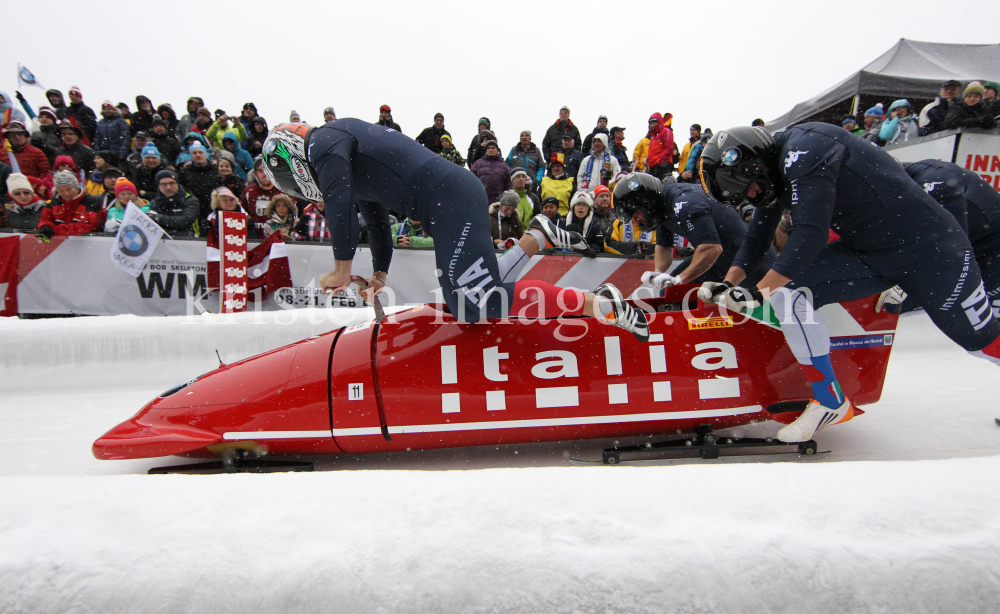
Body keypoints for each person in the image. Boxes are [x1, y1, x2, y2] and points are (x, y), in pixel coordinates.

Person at [697, 123, 1000, 444]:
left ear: (752, 165)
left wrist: (759, 293)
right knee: (790, 293)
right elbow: (757, 238)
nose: (753, 196)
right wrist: (729, 284)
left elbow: (809, 234)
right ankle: (829, 400)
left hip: (931, 249)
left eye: (749, 188)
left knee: (980, 342)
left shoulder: (807, 148)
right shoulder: (773, 170)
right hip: (872, 251)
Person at [260, 120, 647, 339]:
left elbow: (340, 200)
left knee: (473, 303)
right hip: (450, 199)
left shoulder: (325, 143)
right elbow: (375, 221)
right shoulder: (340, 150)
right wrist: (379, 274)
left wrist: (342, 267)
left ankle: (603, 306)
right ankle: (537, 237)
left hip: (449, 200)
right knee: (476, 294)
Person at [613, 173, 776, 291]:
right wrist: (658, 274)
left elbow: (712, 248)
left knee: (677, 288)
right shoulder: (660, 206)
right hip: (721, 262)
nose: (637, 220)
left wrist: (679, 280)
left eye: (635, 214)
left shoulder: (686, 203)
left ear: (647, 204)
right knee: (671, 292)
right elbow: (663, 247)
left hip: (752, 265)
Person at [904, 159, 1000, 312]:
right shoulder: (915, 178)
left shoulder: (934, 179)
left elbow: (951, 250)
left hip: (989, 245)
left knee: (985, 321)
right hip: (976, 240)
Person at [37, 171, 105, 239]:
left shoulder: (91, 202)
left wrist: (55, 230)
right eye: (61, 190)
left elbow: (88, 226)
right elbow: (45, 219)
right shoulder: (52, 203)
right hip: (61, 243)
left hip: (90, 243)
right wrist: (45, 226)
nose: (66, 193)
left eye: (69, 189)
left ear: (77, 188)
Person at [241, 157, 295, 235]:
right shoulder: (248, 191)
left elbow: (293, 217)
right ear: (255, 173)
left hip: (277, 239)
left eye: (267, 170)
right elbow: (243, 215)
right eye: (260, 171)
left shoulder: (284, 190)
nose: (264, 174)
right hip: (255, 239)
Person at [147, 169, 200, 236]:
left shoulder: (190, 200)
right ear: (158, 186)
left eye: (172, 183)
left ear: (177, 183)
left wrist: (159, 218)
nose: (168, 187)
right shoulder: (155, 202)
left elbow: (186, 221)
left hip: (188, 241)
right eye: (163, 184)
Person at [178, 143, 221, 223]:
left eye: (200, 152)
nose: (198, 155)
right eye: (194, 153)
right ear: (191, 156)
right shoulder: (184, 173)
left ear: (206, 155)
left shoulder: (216, 170)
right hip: (193, 210)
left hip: (213, 210)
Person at [470, 140, 511, 204]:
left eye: (493, 148)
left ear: (497, 150)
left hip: (498, 199)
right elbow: (471, 179)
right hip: (481, 198)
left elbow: (508, 183)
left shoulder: (504, 165)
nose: (491, 150)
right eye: (488, 148)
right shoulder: (478, 163)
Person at [646, 112, 675, 180]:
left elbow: (669, 148)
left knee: (662, 186)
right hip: (654, 166)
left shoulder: (666, 132)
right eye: (651, 123)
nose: (652, 125)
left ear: (659, 122)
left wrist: (661, 161)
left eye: (654, 123)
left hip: (662, 165)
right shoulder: (653, 136)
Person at [587, 185, 615, 252]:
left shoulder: (614, 217)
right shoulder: (588, 216)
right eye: (601, 196)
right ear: (594, 199)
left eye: (607, 196)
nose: (605, 198)